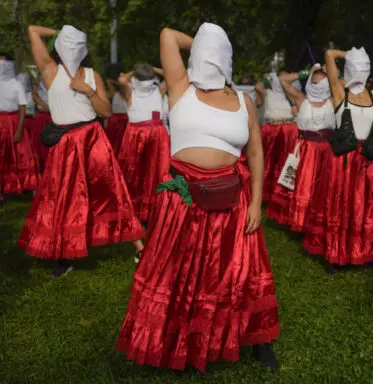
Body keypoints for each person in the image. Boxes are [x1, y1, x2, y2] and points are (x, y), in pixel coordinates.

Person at [117, 22, 280, 372]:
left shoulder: (243, 101)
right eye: (206, 51)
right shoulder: (180, 88)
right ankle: (177, 342)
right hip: (183, 200)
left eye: (215, 52)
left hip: (232, 201)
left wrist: (255, 202)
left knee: (239, 274)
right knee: (179, 274)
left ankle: (257, 340)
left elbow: (255, 153)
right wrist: (206, 41)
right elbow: (165, 35)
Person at [18, 25, 144, 277]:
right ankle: (65, 254)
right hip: (64, 143)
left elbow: (106, 111)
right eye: (68, 43)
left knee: (110, 190)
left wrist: (86, 90)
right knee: (63, 198)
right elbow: (32, 30)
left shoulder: (91, 74)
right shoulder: (50, 70)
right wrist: (65, 32)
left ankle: (139, 246)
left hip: (92, 138)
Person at [303, 47, 373, 273]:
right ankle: (335, 253)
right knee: (340, 206)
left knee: (368, 208)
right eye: (356, 66)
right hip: (344, 160)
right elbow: (329, 54)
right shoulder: (340, 92)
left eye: (364, 67)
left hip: (368, 160)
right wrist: (349, 55)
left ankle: (371, 253)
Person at [266, 64, 336, 232]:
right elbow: (281, 80)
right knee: (302, 185)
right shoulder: (301, 99)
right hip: (306, 150)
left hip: (326, 151)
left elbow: (346, 83)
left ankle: (318, 221)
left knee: (322, 187)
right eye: (315, 81)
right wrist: (306, 71)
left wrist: (331, 70)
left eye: (323, 81)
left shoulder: (334, 101)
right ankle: (299, 221)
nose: (318, 84)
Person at [117, 64, 170, 229]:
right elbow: (122, 80)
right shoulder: (132, 92)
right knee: (137, 175)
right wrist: (143, 69)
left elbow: (170, 74)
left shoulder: (156, 90)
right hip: (141, 135)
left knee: (156, 175)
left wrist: (147, 69)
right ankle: (136, 214)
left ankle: (153, 213)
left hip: (154, 135)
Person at [0, 53, 39, 200]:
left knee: (21, 155)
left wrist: (19, 129)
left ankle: (26, 186)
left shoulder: (16, 84)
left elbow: (22, 107)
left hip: (13, 121)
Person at [257, 72, 298, 202]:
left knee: (287, 162)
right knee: (269, 162)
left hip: (289, 129)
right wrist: (267, 79)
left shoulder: (292, 94)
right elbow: (258, 87)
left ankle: (284, 192)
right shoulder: (268, 92)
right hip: (272, 129)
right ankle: (266, 194)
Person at [31, 76, 52, 173]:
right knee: (38, 147)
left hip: (55, 117)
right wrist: (44, 105)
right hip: (41, 116)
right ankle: (39, 174)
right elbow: (34, 95)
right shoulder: (38, 77)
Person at [106, 75, 128, 157]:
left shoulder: (128, 96)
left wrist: (124, 84)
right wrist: (120, 83)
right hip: (115, 120)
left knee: (123, 141)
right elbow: (108, 81)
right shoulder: (115, 93)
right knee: (113, 140)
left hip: (125, 120)